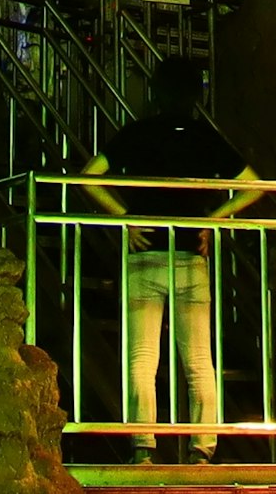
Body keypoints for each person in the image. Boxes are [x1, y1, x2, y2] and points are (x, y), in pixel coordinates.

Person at [83, 58, 262, 460]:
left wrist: (125, 219)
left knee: (143, 359)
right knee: (199, 359)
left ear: (155, 92)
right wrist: (211, 221)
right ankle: (203, 449)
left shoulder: (138, 133)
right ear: (196, 96)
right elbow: (253, 186)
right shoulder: (205, 138)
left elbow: (90, 174)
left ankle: (143, 447)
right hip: (189, 257)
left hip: (145, 256)